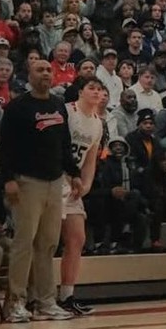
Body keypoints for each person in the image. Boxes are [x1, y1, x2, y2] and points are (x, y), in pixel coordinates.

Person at [0, 58, 83, 322]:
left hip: (55, 182)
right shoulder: (17, 107)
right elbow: (5, 147)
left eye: (48, 70)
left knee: (48, 244)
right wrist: (8, 179)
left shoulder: (58, 106)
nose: (45, 73)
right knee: (24, 243)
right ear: (29, 75)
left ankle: (45, 301)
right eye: (39, 70)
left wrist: (75, 173)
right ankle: (15, 302)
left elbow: (64, 144)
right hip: (27, 182)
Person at [57, 75, 105, 315]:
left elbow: (90, 159)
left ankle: (67, 295)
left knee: (77, 238)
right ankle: (35, 296)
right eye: (92, 88)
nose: (97, 92)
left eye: (99, 89)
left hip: (74, 185)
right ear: (80, 91)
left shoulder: (98, 122)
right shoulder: (67, 112)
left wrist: (86, 185)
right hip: (55, 179)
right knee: (45, 241)